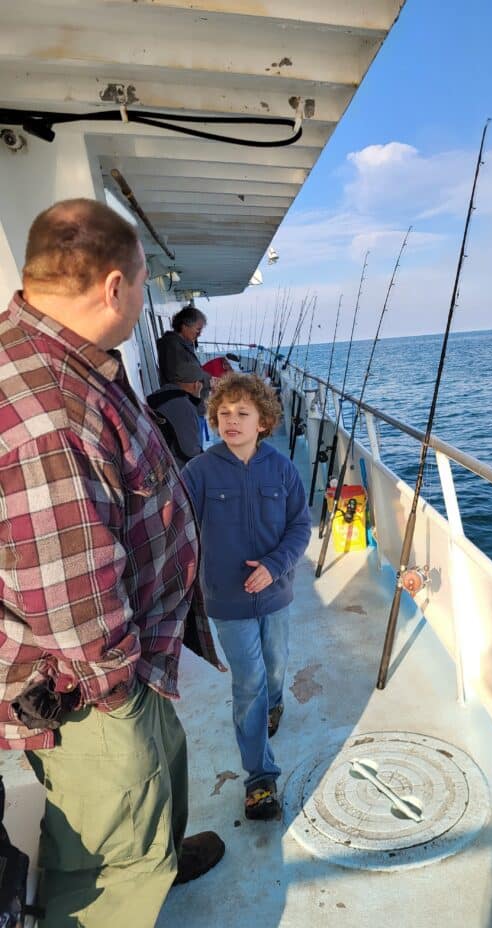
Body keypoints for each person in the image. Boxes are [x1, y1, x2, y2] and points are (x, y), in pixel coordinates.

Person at [0, 198, 226, 928]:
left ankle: (156, 844)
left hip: (130, 659)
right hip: (93, 685)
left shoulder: (52, 355)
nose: (139, 307)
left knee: (151, 782)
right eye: (138, 286)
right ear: (113, 287)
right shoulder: (52, 414)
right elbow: (72, 604)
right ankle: (137, 866)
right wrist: (121, 690)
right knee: (106, 848)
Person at [182, 374, 311, 820]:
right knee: (249, 680)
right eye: (223, 414)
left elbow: (299, 527)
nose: (231, 421)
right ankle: (260, 777)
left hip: (276, 594)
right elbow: (178, 529)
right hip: (227, 601)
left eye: (242, 413)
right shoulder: (198, 472)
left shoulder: (282, 469)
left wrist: (275, 566)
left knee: (275, 664)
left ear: (264, 422)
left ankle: (276, 704)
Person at [147, 369, 204, 470]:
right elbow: (190, 451)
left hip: (153, 456)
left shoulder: (165, 393)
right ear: (196, 384)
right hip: (169, 469)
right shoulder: (183, 406)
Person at [156, 304, 210, 389]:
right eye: (198, 329)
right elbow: (180, 371)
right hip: (179, 398)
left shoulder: (183, 344)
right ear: (184, 326)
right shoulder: (171, 344)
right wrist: (209, 380)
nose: (199, 334)